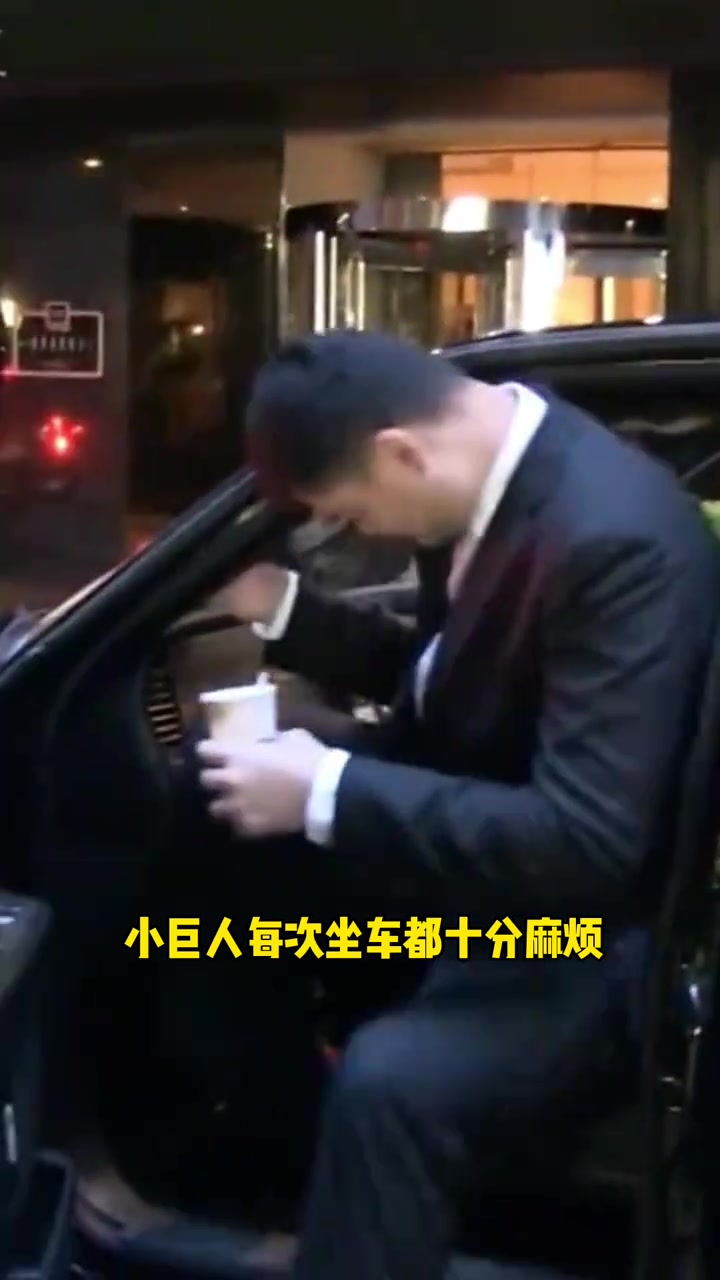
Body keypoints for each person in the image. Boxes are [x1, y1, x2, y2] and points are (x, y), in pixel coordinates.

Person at [196, 330, 720, 1280]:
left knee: (391, 1082)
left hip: (586, 936)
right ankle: (271, 1169)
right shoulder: (487, 481)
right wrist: (285, 609)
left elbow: (589, 843)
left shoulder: (614, 538)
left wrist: (325, 789)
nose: (364, 535)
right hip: (491, 863)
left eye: (352, 514)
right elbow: (453, 683)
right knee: (212, 855)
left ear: (401, 452)